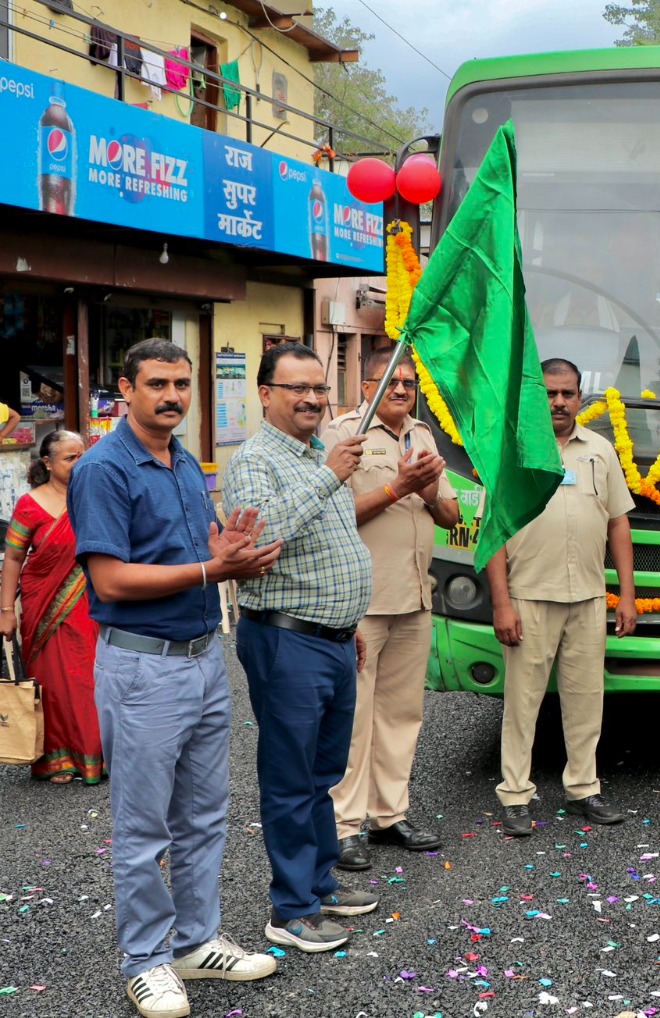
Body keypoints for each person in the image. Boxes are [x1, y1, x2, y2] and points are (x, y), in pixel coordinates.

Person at [69, 339, 282, 1017]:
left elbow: (194, 554)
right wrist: (211, 572)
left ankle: (194, 942)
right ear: (125, 390)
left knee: (203, 816)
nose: (173, 395)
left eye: (183, 384)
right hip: (141, 667)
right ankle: (146, 961)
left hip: (201, 660)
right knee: (143, 827)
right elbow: (110, 579)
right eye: (157, 383)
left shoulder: (184, 461)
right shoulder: (104, 469)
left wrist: (222, 553)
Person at [222, 342, 378, 954]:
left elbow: (332, 546)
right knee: (289, 777)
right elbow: (262, 540)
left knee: (323, 771)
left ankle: (318, 881)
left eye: (319, 388)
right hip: (287, 640)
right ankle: (290, 909)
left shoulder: (318, 453)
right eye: (297, 389)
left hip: (332, 637)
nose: (313, 399)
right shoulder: (255, 460)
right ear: (266, 394)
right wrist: (329, 476)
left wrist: (349, 621)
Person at [488, 357, 637, 835]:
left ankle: (583, 789)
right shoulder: (515, 452)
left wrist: (627, 596)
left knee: (585, 700)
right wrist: (501, 604)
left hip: (589, 597)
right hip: (529, 596)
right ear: (537, 397)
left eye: (567, 394)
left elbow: (618, 522)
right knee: (522, 702)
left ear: (580, 399)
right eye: (549, 393)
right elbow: (493, 533)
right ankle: (515, 795)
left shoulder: (600, 450)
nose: (558, 402)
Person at [325, 351, 462, 872]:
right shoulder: (346, 434)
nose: (401, 389)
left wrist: (425, 487)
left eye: (409, 382)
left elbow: (449, 515)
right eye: (390, 381)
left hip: (414, 596)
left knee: (403, 714)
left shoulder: (423, 436)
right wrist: (396, 487)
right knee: (354, 716)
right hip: (362, 598)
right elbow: (332, 513)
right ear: (366, 387)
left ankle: (388, 815)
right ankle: (345, 825)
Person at [0, 431, 101, 784]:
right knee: (54, 683)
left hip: (91, 602)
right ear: (47, 463)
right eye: (69, 458)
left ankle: (97, 756)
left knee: (91, 678)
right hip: (44, 606)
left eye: (81, 456)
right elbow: (13, 557)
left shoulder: (94, 498)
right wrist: (6, 611)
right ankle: (57, 759)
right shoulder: (31, 505)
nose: (78, 463)